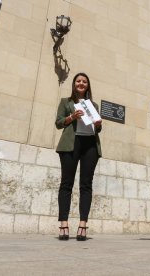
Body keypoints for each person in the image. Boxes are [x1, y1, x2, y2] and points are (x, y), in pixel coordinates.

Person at [55, 72, 102, 241]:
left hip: (90, 145)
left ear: (87, 86)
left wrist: (98, 124)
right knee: (66, 184)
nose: (81, 84)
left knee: (86, 185)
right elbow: (58, 123)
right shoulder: (66, 102)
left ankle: (83, 225)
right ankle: (64, 224)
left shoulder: (94, 105)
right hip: (70, 144)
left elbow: (98, 128)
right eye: (78, 81)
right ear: (74, 84)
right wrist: (71, 117)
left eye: (84, 82)